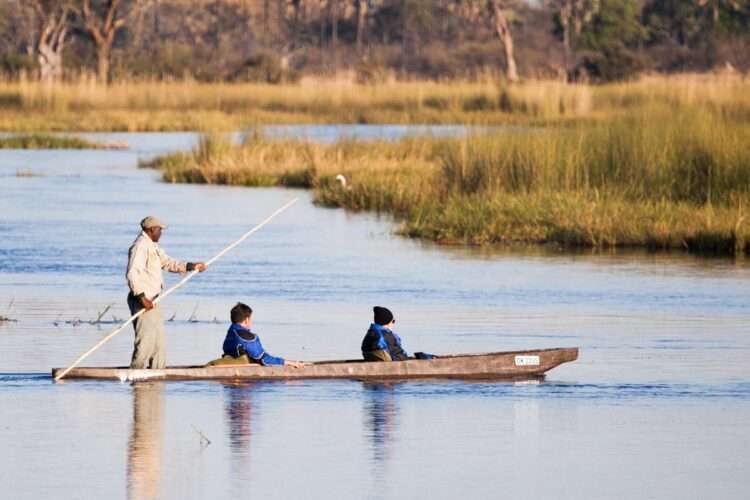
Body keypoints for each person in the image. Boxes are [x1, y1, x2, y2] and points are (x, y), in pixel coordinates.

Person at [126, 216, 206, 369]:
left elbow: (168, 263)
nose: (161, 232)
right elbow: (132, 274)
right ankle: (135, 373)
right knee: (145, 343)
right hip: (143, 301)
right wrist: (142, 298)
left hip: (153, 300)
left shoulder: (153, 246)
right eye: (159, 229)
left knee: (159, 344)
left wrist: (191, 266)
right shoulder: (140, 246)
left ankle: (157, 375)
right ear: (151, 230)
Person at [220, 302, 306, 368]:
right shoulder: (248, 337)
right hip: (244, 383)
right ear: (246, 320)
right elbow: (264, 360)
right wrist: (290, 363)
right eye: (250, 319)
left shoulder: (230, 333)